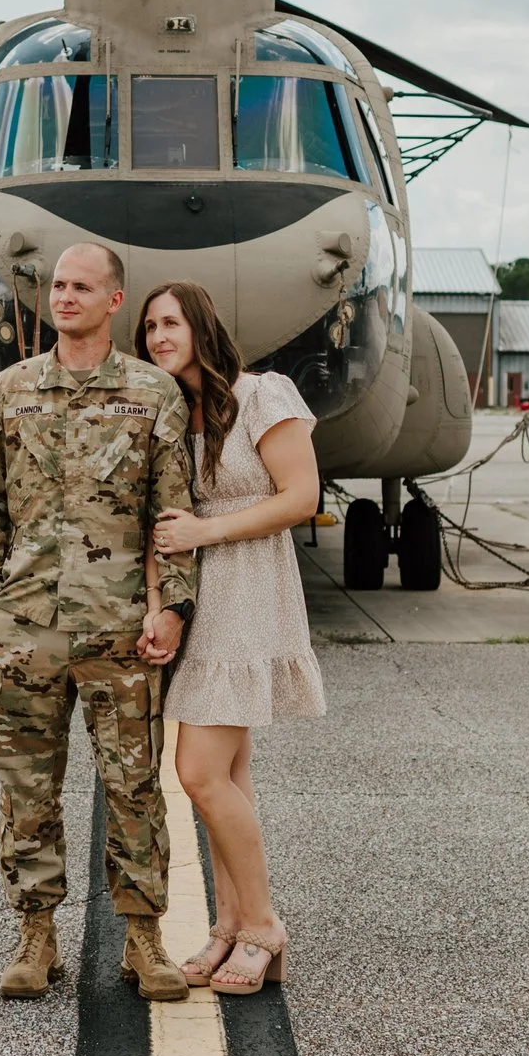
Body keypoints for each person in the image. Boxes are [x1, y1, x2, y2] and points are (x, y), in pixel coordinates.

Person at [0, 242, 199, 1003]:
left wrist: (174, 608)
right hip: (24, 631)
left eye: (81, 286)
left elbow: (174, 513)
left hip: (119, 631)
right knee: (27, 791)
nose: (64, 297)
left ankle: (144, 939)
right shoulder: (9, 392)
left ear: (113, 301)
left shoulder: (153, 395)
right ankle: (35, 937)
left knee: (133, 789)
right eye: (58, 285)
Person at [140, 280, 324, 997]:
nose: (158, 336)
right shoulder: (171, 418)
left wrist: (207, 530)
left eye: (171, 322)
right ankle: (230, 929)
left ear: (201, 325)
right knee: (228, 776)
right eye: (149, 327)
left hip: (250, 588)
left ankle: (265, 926)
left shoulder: (263, 394)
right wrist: (159, 605)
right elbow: (159, 526)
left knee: (198, 774)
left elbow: (300, 497)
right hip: (201, 600)